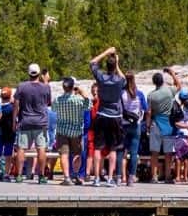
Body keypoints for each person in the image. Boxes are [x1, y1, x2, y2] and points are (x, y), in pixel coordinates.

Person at [89, 46, 126, 185]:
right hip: (115, 117)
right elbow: (123, 77)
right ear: (115, 66)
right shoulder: (119, 80)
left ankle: (97, 178)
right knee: (112, 149)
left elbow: (92, 62)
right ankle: (110, 178)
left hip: (102, 114)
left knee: (98, 147)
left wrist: (106, 52)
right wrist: (117, 63)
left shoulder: (101, 78)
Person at [13, 63, 52, 184]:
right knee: (41, 149)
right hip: (40, 122)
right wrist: (46, 82)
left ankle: (19, 175)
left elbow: (16, 105)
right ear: (39, 74)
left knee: (21, 148)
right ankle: (41, 176)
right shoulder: (46, 87)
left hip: (25, 121)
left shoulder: (21, 86)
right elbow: (48, 103)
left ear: (28, 73)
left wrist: (14, 120)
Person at [52, 77, 88, 186]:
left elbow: (53, 109)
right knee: (77, 154)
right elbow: (88, 105)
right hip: (76, 131)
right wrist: (82, 92)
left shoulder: (57, 100)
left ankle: (67, 177)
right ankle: (76, 175)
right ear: (73, 87)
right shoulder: (79, 100)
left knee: (64, 154)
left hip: (62, 130)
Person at [146, 70, 178, 184]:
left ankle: (154, 176)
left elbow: (149, 112)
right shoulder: (169, 91)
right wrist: (172, 74)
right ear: (163, 81)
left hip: (156, 123)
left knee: (154, 152)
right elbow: (178, 85)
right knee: (168, 153)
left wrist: (147, 126)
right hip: (168, 123)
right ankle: (168, 176)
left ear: (154, 82)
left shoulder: (151, 95)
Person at [118, 71, 145, 186]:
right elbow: (146, 109)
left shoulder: (121, 93)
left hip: (123, 124)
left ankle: (118, 177)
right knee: (134, 153)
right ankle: (131, 178)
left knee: (120, 151)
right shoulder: (139, 94)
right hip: (136, 124)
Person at [0, 86, 16, 181]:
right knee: (8, 155)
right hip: (9, 133)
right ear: (10, 96)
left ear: (1, 96)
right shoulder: (12, 108)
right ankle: (6, 174)